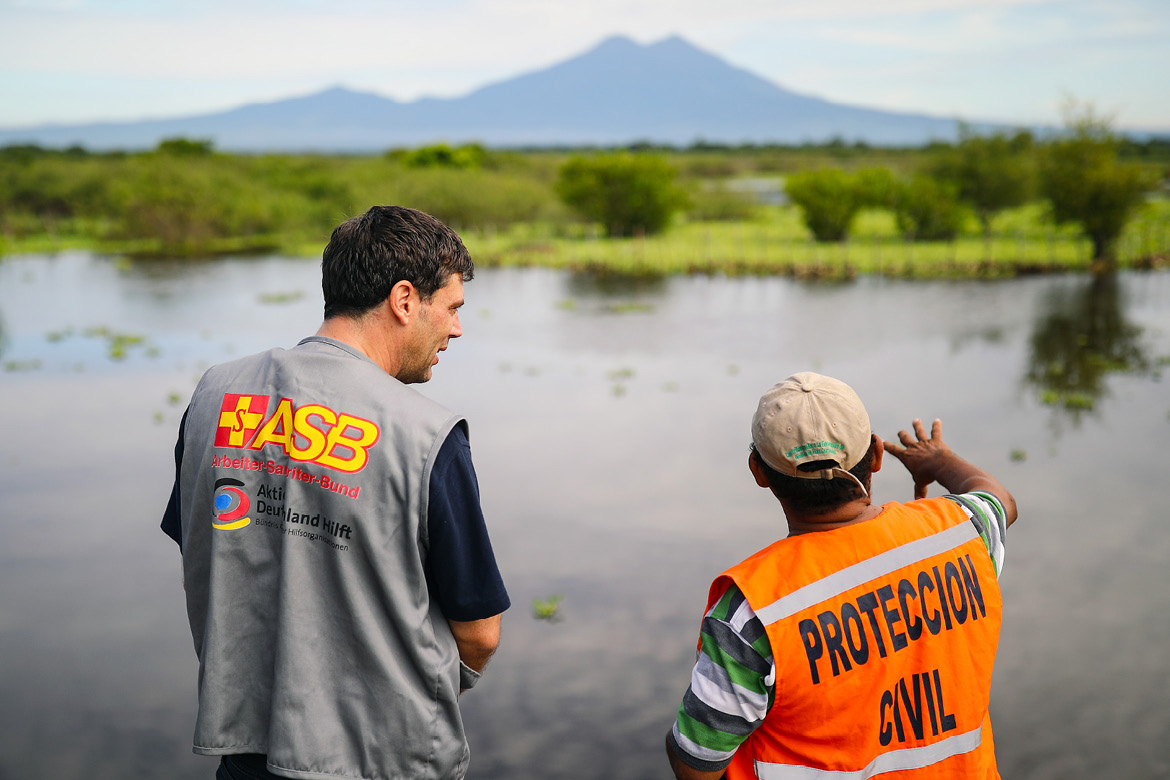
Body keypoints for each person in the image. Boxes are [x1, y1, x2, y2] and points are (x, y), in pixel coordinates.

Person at [161, 206, 510, 780]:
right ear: (404, 301)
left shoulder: (214, 395)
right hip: (383, 761)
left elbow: (199, 548)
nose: (457, 329)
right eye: (452, 308)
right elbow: (480, 633)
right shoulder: (426, 435)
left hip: (245, 751)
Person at [666, 372, 1018, 780]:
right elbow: (1000, 500)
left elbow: (697, 763)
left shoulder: (752, 611)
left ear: (758, 472)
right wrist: (939, 461)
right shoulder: (963, 532)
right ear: (876, 457)